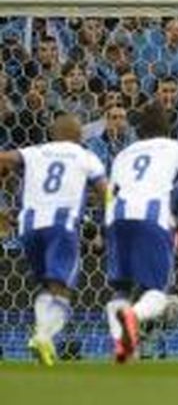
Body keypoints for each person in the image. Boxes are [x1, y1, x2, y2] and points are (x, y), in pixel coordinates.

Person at [0, 114, 107, 366]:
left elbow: (4, 159)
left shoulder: (35, 151)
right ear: (79, 135)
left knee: (46, 286)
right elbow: (105, 190)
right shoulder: (86, 156)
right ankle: (42, 336)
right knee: (61, 287)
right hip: (62, 224)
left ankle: (42, 338)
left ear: (53, 133)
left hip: (29, 226)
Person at [105, 102, 178, 363]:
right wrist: (175, 216)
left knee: (121, 289)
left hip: (117, 218)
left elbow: (108, 193)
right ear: (168, 126)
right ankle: (133, 318)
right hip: (152, 217)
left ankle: (122, 347)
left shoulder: (123, 154)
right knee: (156, 290)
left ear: (138, 129)